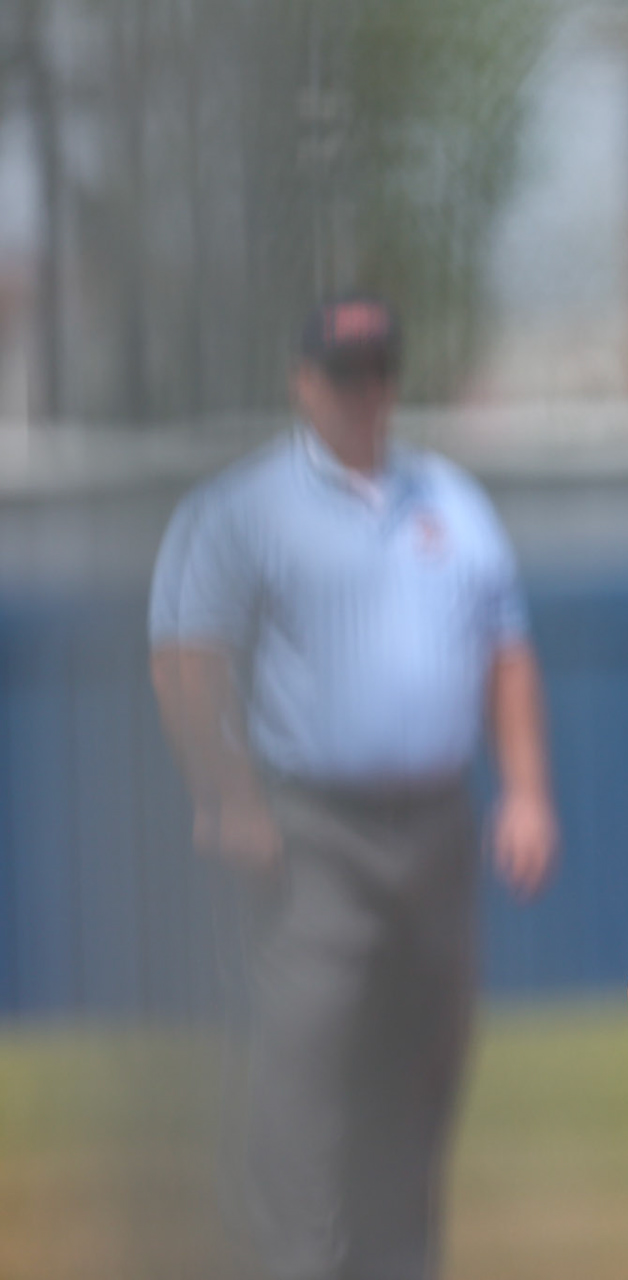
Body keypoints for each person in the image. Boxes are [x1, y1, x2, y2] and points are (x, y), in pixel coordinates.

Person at [148, 292, 559, 1280]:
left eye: (379, 368)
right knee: (306, 1055)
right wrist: (226, 790)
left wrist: (527, 789)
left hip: (435, 818)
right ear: (304, 381)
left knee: (425, 1054)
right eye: (344, 370)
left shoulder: (449, 500)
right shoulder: (246, 506)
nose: (365, 389)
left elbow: (506, 652)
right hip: (313, 823)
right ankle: (293, 1257)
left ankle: (397, 1257)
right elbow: (185, 653)